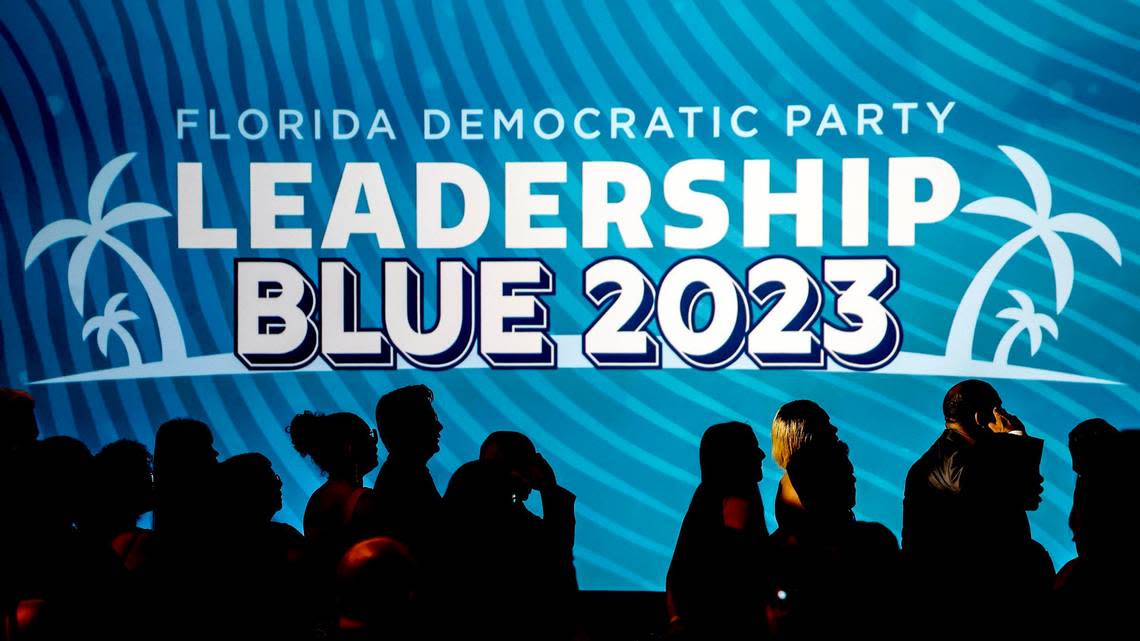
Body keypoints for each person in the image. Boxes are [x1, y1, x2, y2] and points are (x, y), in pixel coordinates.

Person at [901, 380, 1051, 637]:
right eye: (999, 409)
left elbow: (1027, 495)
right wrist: (1014, 438)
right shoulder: (950, 460)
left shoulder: (976, 455)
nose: (1005, 417)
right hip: (964, 607)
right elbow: (1002, 492)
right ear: (980, 417)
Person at [767, 439, 900, 640]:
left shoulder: (778, 552)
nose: (854, 480)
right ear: (827, 484)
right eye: (847, 474)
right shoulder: (874, 543)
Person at [666, 422, 770, 640]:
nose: (762, 455)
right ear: (734, 457)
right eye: (752, 448)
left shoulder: (707, 495)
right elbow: (738, 556)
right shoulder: (738, 495)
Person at [210, 453, 311, 639]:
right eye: (271, 478)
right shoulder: (284, 537)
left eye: (276, 477)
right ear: (248, 489)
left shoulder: (217, 547)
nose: (279, 483)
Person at [371, 385, 444, 562]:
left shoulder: (403, 473)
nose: (439, 426)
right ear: (409, 426)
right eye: (429, 419)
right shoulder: (406, 479)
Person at [769, 400, 838, 531]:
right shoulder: (805, 479)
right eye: (825, 424)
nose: (834, 429)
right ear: (805, 434)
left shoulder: (792, 479)